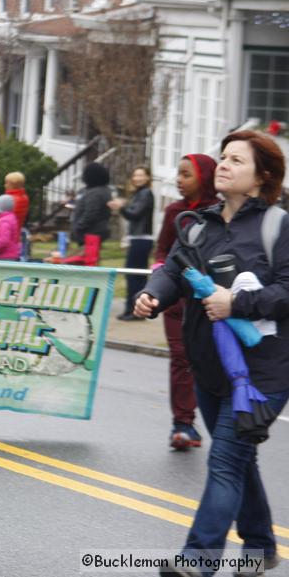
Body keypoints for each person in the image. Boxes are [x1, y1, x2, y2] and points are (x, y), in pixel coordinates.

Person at [137, 131, 289, 576]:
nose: (223, 165)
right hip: (209, 367)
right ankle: (260, 546)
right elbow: (175, 271)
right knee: (239, 459)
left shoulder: (278, 227)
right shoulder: (198, 224)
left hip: (261, 374)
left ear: (261, 178)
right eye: (223, 157)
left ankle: (197, 561)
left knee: (225, 461)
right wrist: (152, 294)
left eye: (236, 160)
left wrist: (236, 303)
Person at [154, 154, 219, 451]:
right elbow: (162, 253)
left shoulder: (219, 212)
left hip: (211, 302)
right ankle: (182, 423)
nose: (179, 180)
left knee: (207, 360)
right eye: (178, 174)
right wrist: (158, 287)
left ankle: (224, 426)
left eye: (186, 175)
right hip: (176, 301)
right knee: (180, 358)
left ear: (204, 178)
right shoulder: (174, 212)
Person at [109, 166, 156, 321]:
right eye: (135, 175)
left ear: (147, 177)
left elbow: (134, 215)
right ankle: (134, 310)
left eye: (141, 175)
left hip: (141, 239)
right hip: (139, 239)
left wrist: (121, 207)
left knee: (134, 277)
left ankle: (133, 311)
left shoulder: (145, 193)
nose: (137, 178)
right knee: (137, 277)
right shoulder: (140, 194)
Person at [0, 194, 22, 261]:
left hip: (4, 256)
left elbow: (4, 240)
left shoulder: (4, 221)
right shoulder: (11, 218)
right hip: (10, 254)